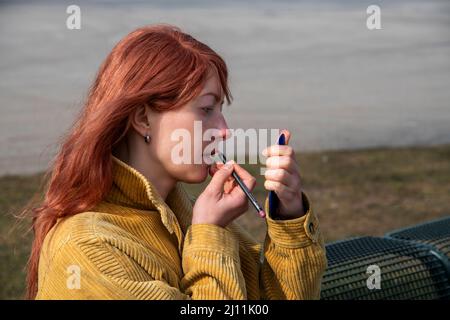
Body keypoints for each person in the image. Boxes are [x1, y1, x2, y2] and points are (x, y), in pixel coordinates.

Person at [25, 24, 327, 300]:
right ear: (144, 118)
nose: (224, 130)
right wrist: (210, 234)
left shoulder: (177, 210)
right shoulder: (87, 248)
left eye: (220, 109)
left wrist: (288, 212)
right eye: (206, 109)